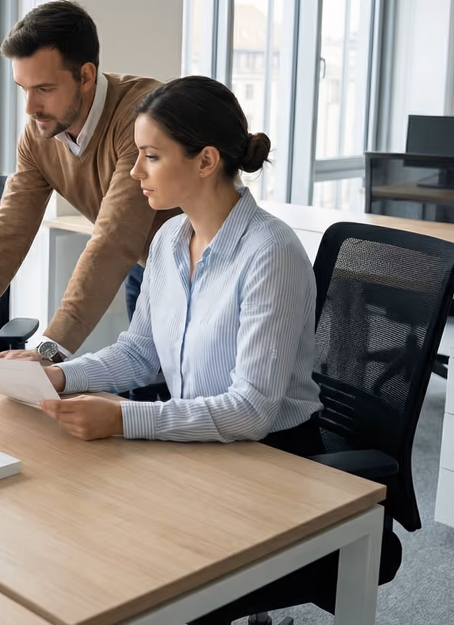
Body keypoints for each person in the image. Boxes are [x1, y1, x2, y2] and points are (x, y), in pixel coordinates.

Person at [32, 76, 323, 453]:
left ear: (205, 161)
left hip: (274, 454)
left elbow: (252, 411)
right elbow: (139, 352)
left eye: (151, 156)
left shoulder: (271, 254)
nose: (136, 170)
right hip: (200, 441)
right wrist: (58, 376)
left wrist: (123, 418)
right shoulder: (169, 238)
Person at [0, 0, 177, 358]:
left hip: (207, 268)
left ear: (87, 76)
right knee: (144, 385)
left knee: (195, 397)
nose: (30, 108)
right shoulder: (38, 135)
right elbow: (10, 228)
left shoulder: (141, 117)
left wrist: (49, 349)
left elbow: (113, 239)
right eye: (23, 88)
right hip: (148, 264)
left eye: (44, 89)